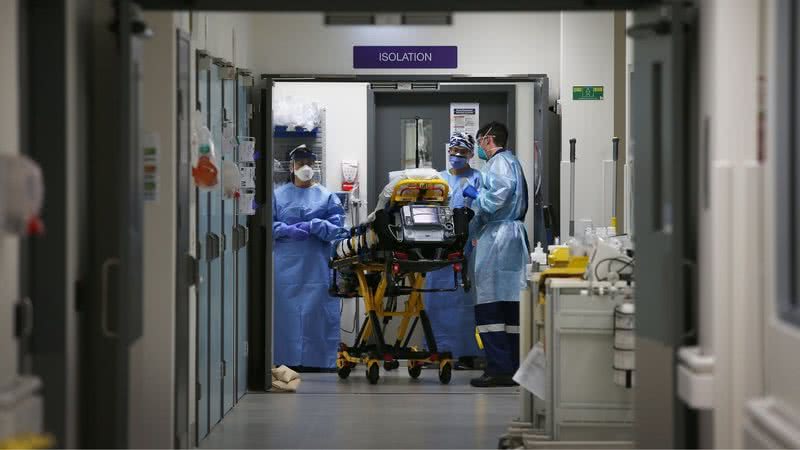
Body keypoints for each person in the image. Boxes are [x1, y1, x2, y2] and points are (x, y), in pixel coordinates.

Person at [462, 122, 529, 387]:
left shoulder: (499, 162)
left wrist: (476, 195)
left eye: (479, 142)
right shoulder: (512, 161)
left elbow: (496, 199)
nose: (478, 147)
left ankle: (499, 368)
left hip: (498, 239)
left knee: (491, 305)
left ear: (488, 140)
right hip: (510, 238)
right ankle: (512, 366)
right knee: (511, 305)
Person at [273, 144, 349, 371]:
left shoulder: (326, 197)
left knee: (316, 314)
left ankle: (318, 360)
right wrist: (286, 230)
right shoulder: (277, 195)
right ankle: (286, 358)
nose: (305, 167)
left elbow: (338, 230)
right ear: (292, 167)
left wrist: (316, 225)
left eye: (309, 163)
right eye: (300, 163)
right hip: (285, 268)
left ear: (315, 166)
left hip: (317, 266)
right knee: (286, 315)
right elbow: (267, 226)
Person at [423, 133, 483, 367]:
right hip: (438, 251)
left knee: (465, 303)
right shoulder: (437, 180)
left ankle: (469, 353)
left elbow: (484, 210)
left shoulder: (478, 179)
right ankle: (437, 351)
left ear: (470, 155)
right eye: (454, 151)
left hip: (468, 249)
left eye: (462, 152)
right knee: (437, 300)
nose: (457, 156)